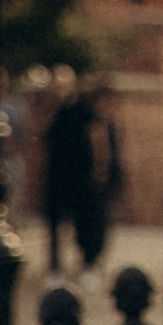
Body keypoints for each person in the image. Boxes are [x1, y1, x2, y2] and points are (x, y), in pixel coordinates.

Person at [41, 74, 123, 275]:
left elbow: (102, 145)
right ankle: (58, 265)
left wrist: (104, 171)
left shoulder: (90, 115)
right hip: (65, 177)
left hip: (86, 178)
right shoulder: (62, 114)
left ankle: (89, 262)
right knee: (60, 222)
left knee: (91, 222)